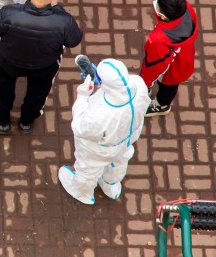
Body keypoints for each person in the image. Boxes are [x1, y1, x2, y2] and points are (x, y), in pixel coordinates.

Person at [0, 0, 83, 134]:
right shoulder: (64, 21)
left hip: (9, 60)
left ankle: (3, 121)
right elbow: (73, 40)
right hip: (45, 65)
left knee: (3, 86)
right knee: (38, 93)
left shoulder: (9, 13)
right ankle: (26, 122)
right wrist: (58, 9)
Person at [58, 59, 151, 205]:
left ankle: (82, 191)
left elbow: (81, 128)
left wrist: (83, 96)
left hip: (101, 149)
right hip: (127, 139)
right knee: (120, 160)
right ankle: (110, 185)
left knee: (88, 169)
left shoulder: (101, 112)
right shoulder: (139, 84)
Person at [140, 0, 200, 116]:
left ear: (163, 17)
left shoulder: (158, 41)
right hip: (185, 56)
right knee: (171, 84)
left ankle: (161, 106)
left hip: (173, 69)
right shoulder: (185, 7)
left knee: (168, 86)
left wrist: (144, 84)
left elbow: (155, 66)